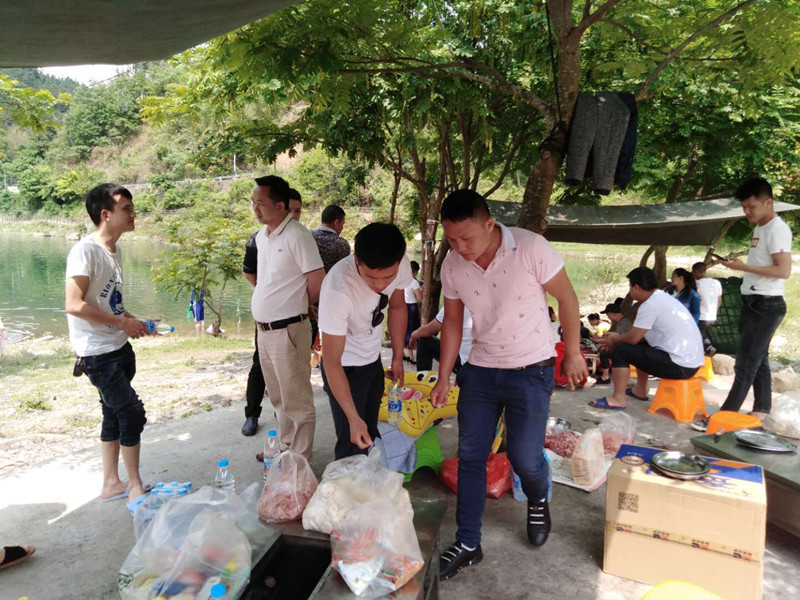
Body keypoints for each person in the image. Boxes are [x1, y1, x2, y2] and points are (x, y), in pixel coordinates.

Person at [428, 189, 587, 580]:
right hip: (481, 369)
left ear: (489, 223)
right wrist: (445, 374)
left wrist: (573, 352)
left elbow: (567, 299)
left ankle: (538, 497)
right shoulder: (453, 265)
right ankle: (468, 542)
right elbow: (452, 321)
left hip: (531, 368)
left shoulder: (531, 248)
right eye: (451, 239)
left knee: (523, 456)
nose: (460, 247)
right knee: (471, 456)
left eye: (467, 237)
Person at [65, 183, 150, 507]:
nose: (133, 214)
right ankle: (134, 484)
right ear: (106, 214)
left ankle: (112, 483)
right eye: (126, 208)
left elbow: (111, 305)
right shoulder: (85, 251)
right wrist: (122, 323)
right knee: (131, 412)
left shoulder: (113, 251)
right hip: (97, 354)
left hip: (118, 348)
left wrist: (135, 322)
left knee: (113, 413)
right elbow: (74, 304)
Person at [693, 177, 792, 429]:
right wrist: (739, 267)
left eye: (751, 206)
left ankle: (723, 417)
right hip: (753, 302)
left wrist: (742, 267)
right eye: (744, 207)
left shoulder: (778, 229)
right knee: (760, 360)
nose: (747, 211)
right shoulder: (760, 228)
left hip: (766, 305)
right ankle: (761, 410)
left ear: (768, 202)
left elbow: (783, 271)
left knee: (745, 364)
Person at [318, 223, 412, 459]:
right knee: (352, 441)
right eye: (370, 277)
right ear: (356, 259)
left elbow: (398, 307)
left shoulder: (399, 263)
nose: (380, 285)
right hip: (344, 366)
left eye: (388, 277)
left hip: (372, 359)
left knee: (369, 431)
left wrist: (398, 357)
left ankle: (367, 478)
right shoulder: (338, 289)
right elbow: (331, 362)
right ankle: (345, 480)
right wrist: (352, 417)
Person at [249, 175, 325, 461]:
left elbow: (317, 280)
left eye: (261, 203)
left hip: (289, 329)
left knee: (297, 400)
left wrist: (301, 305)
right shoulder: (262, 237)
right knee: (279, 396)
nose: (255, 208)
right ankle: (285, 450)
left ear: (280, 205)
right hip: (265, 331)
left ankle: (299, 462)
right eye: (253, 202)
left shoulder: (298, 235)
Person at [241, 188, 307, 437]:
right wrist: (269, 295)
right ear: (280, 208)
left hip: (292, 321)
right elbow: (249, 273)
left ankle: (291, 444)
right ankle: (252, 415)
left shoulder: (299, 238)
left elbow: (312, 279)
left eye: (298, 211)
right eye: (290, 210)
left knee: (292, 382)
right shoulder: (258, 239)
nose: (293, 215)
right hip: (266, 321)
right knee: (260, 369)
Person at [590, 267, 704, 410]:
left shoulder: (650, 305)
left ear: (636, 288)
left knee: (620, 350)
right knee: (637, 347)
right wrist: (616, 338)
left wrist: (615, 339)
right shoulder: (663, 298)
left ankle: (617, 399)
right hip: (691, 363)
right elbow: (640, 337)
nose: (630, 291)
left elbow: (632, 338)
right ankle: (640, 390)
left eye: (630, 287)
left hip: (680, 366)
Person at [310, 204, 352, 349]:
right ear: (336, 222)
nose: (342, 228)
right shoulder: (341, 245)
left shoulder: (307, 238)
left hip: (306, 300)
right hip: (332, 302)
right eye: (342, 224)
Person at [408, 305, 473, 373]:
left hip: (465, 365)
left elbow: (429, 330)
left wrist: (413, 335)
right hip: (478, 363)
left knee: (425, 342)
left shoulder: (455, 305)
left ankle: (423, 378)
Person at [593, 302, 633, 384]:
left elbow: (623, 337)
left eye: (608, 315)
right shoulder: (620, 322)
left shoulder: (625, 322)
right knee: (603, 351)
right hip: (623, 345)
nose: (608, 317)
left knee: (604, 353)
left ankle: (605, 377)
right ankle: (603, 372)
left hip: (628, 347)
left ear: (613, 314)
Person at [692, 261, 722, 357]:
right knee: (700, 333)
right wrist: (713, 312)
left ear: (696, 271)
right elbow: (719, 300)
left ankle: (708, 348)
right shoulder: (716, 283)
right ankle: (705, 352)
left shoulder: (697, 284)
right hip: (711, 317)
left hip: (700, 316)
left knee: (695, 334)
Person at [403, 261, 422, 363]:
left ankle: (402, 353)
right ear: (414, 271)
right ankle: (411, 356)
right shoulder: (414, 282)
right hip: (411, 307)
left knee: (403, 329)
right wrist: (421, 291)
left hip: (402, 306)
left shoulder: (402, 280)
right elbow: (419, 299)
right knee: (412, 330)